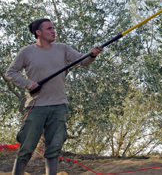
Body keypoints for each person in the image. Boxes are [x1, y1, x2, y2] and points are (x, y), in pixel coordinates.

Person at [5, 18, 103, 175]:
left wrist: (92, 55)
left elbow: (83, 61)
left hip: (59, 105)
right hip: (36, 106)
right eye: (49, 28)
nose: (53, 31)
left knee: (54, 147)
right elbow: (10, 72)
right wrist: (28, 83)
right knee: (26, 147)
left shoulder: (62, 48)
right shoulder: (27, 52)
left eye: (53, 28)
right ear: (38, 32)